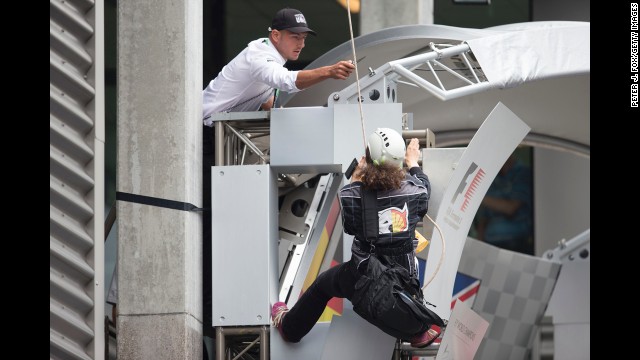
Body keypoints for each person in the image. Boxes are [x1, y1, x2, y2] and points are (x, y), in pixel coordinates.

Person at [201, 6, 356, 349]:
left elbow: (270, 102)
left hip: (220, 140)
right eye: (294, 37)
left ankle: (223, 308)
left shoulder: (274, 61)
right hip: (203, 138)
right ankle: (211, 310)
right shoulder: (259, 55)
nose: (300, 43)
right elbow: (285, 83)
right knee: (211, 224)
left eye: (303, 38)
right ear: (276, 36)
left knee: (227, 223)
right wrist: (329, 72)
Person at [270, 128, 441, 348]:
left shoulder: (352, 195)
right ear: (400, 163)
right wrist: (414, 163)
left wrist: (356, 179)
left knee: (323, 285)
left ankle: (290, 328)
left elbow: (350, 228)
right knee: (406, 288)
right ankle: (414, 331)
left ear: (368, 159)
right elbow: (424, 187)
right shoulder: (414, 191)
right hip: (404, 275)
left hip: (363, 275)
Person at [475, 153, 533, 253]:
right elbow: (484, 219)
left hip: (515, 245)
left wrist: (476, 196)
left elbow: (510, 208)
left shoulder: (522, 173)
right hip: (490, 245)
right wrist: (478, 248)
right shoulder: (493, 178)